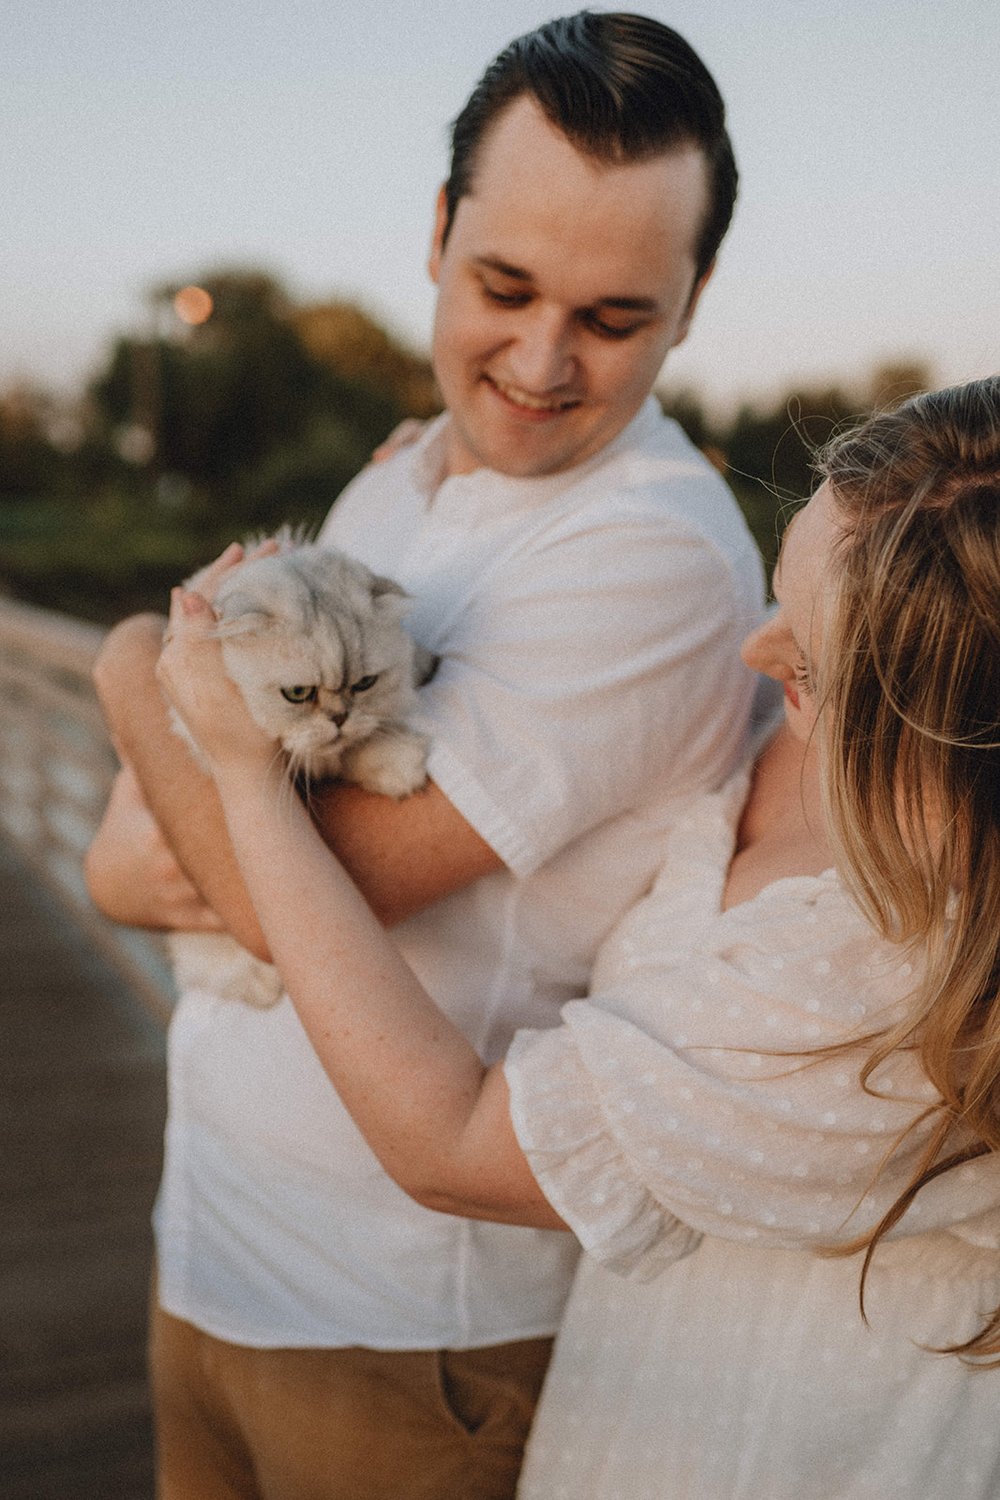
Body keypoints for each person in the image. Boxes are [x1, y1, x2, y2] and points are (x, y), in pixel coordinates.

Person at [85, 14, 763, 1498]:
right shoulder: (393, 473)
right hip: (210, 1246)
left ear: (694, 303)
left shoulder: (651, 557)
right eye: (504, 286)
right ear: (439, 231)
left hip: (408, 1333)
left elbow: (277, 900)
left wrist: (132, 670)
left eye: (613, 317)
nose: (536, 361)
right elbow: (145, 869)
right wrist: (151, 836)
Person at [157, 374, 1000, 1499]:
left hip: (776, 1450)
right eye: (776, 592)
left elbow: (449, 1144)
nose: (751, 657)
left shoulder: (896, 976)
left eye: (806, 662)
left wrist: (220, 749)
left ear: (944, 728)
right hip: (604, 1401)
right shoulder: (798, 749)